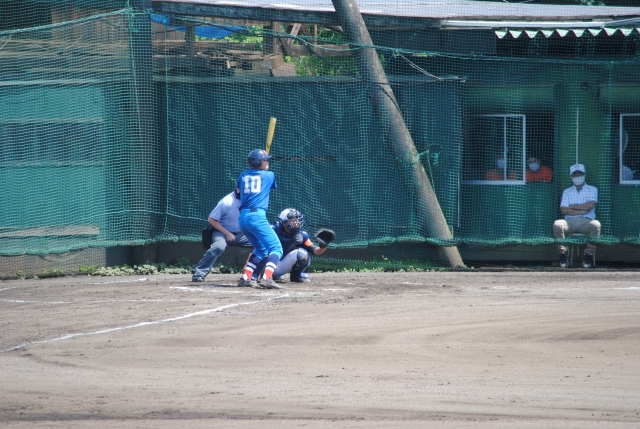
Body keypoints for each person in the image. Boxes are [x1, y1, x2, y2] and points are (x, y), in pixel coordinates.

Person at [236, 149, 284, 289]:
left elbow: (238, 192)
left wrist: (261, 162)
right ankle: (267, 278)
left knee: (261, 249)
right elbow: (269, 184)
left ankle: (246, 278)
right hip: (257, 217)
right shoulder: (269, 175)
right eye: (265, 160)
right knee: (276, 248)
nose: (267, 162)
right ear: (257, 162)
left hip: (243, 218)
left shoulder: (243, 174)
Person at [247, 208, 327, 284]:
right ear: (284, 223)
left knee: (303, 253)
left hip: (281, 266)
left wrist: (323, 246)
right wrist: (247, 266)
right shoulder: (272, 230)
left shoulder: (302, 235)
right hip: (265, 265)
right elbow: (257, 249)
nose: (295, 222)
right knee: (264, 251)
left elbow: (314, 250)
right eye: (292, 220)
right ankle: (254, 276)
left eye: (297, 219)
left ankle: (296, 276)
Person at [191, 189, 252, 282]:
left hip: (240, 233)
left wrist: (248, 263)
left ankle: (254, 272)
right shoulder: (227, 201)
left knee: (261, 243)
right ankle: (199, 274)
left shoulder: (250, 200)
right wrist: (227, 233)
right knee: (219, 246)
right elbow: (211, 219)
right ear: (238, 189)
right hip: (221, 232)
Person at [553, 164, 601, 268]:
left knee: (596, 225)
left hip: (586, 221)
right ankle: (563, 254)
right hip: (570, 222)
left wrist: (573, 206)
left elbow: (591, 205)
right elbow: (564, 210)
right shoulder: (567, 191)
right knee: (557, 224)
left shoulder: (592, 189)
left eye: (580, 174)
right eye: (575, 174)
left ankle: (588, 254)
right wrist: (582, 210)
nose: (578, 176)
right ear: (571, 177)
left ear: (585, 175)